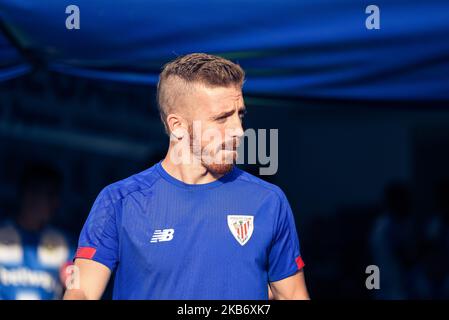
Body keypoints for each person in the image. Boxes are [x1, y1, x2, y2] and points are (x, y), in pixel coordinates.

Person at [64, 53, 309, 300]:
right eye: (222, 118)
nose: (238, 130)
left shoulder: (268, 201)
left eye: (240, 115)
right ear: (177, 126)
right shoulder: (119, 201)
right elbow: (81, 290)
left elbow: (293, 296)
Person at [0, 163, 75, 299]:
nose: (54, 202)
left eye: (55, 196)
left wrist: (71, 284)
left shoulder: (65, 243)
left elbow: (78, 287)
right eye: (48, 194)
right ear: (26, 194)